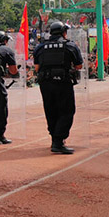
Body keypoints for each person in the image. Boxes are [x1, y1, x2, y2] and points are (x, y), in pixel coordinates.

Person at [33, 21, 84, 154]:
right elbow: (79, 66)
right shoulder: (70, 46)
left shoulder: (40, 47)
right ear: (64, 32)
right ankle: (58, 141)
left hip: (45, 83)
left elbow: (37, 67)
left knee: (50, 110)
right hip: (63, 82)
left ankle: (55, 138)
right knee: (66, 111)